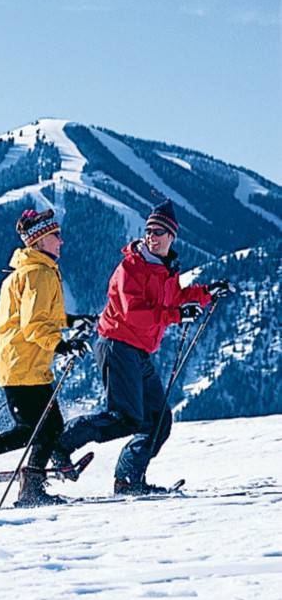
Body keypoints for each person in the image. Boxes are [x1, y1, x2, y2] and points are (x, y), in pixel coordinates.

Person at [54, 200, 235, 495]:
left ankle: (128, 479)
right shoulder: (131, 267)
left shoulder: (165, 270)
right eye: (150, 230)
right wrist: (176, 316)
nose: (153, 236)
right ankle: (62, 443)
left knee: (158, 419)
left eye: (159, 231)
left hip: (138, 350)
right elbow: (133, 312)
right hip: (117, 343)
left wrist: (206, 293)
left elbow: (174, 298)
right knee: (124, 419)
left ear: (171, 236)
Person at [0, 208, 94, 506]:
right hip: (24, 365)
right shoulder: (38, 273)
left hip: (24, 363)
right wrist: (62, 346)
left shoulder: (33, 270)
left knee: (47, 427)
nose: (61, 241)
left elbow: (39, 315)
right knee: (33, 430)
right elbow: (34, 324)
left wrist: (70, 320)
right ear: (39, 241)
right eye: (56, 236)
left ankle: (31, 483)